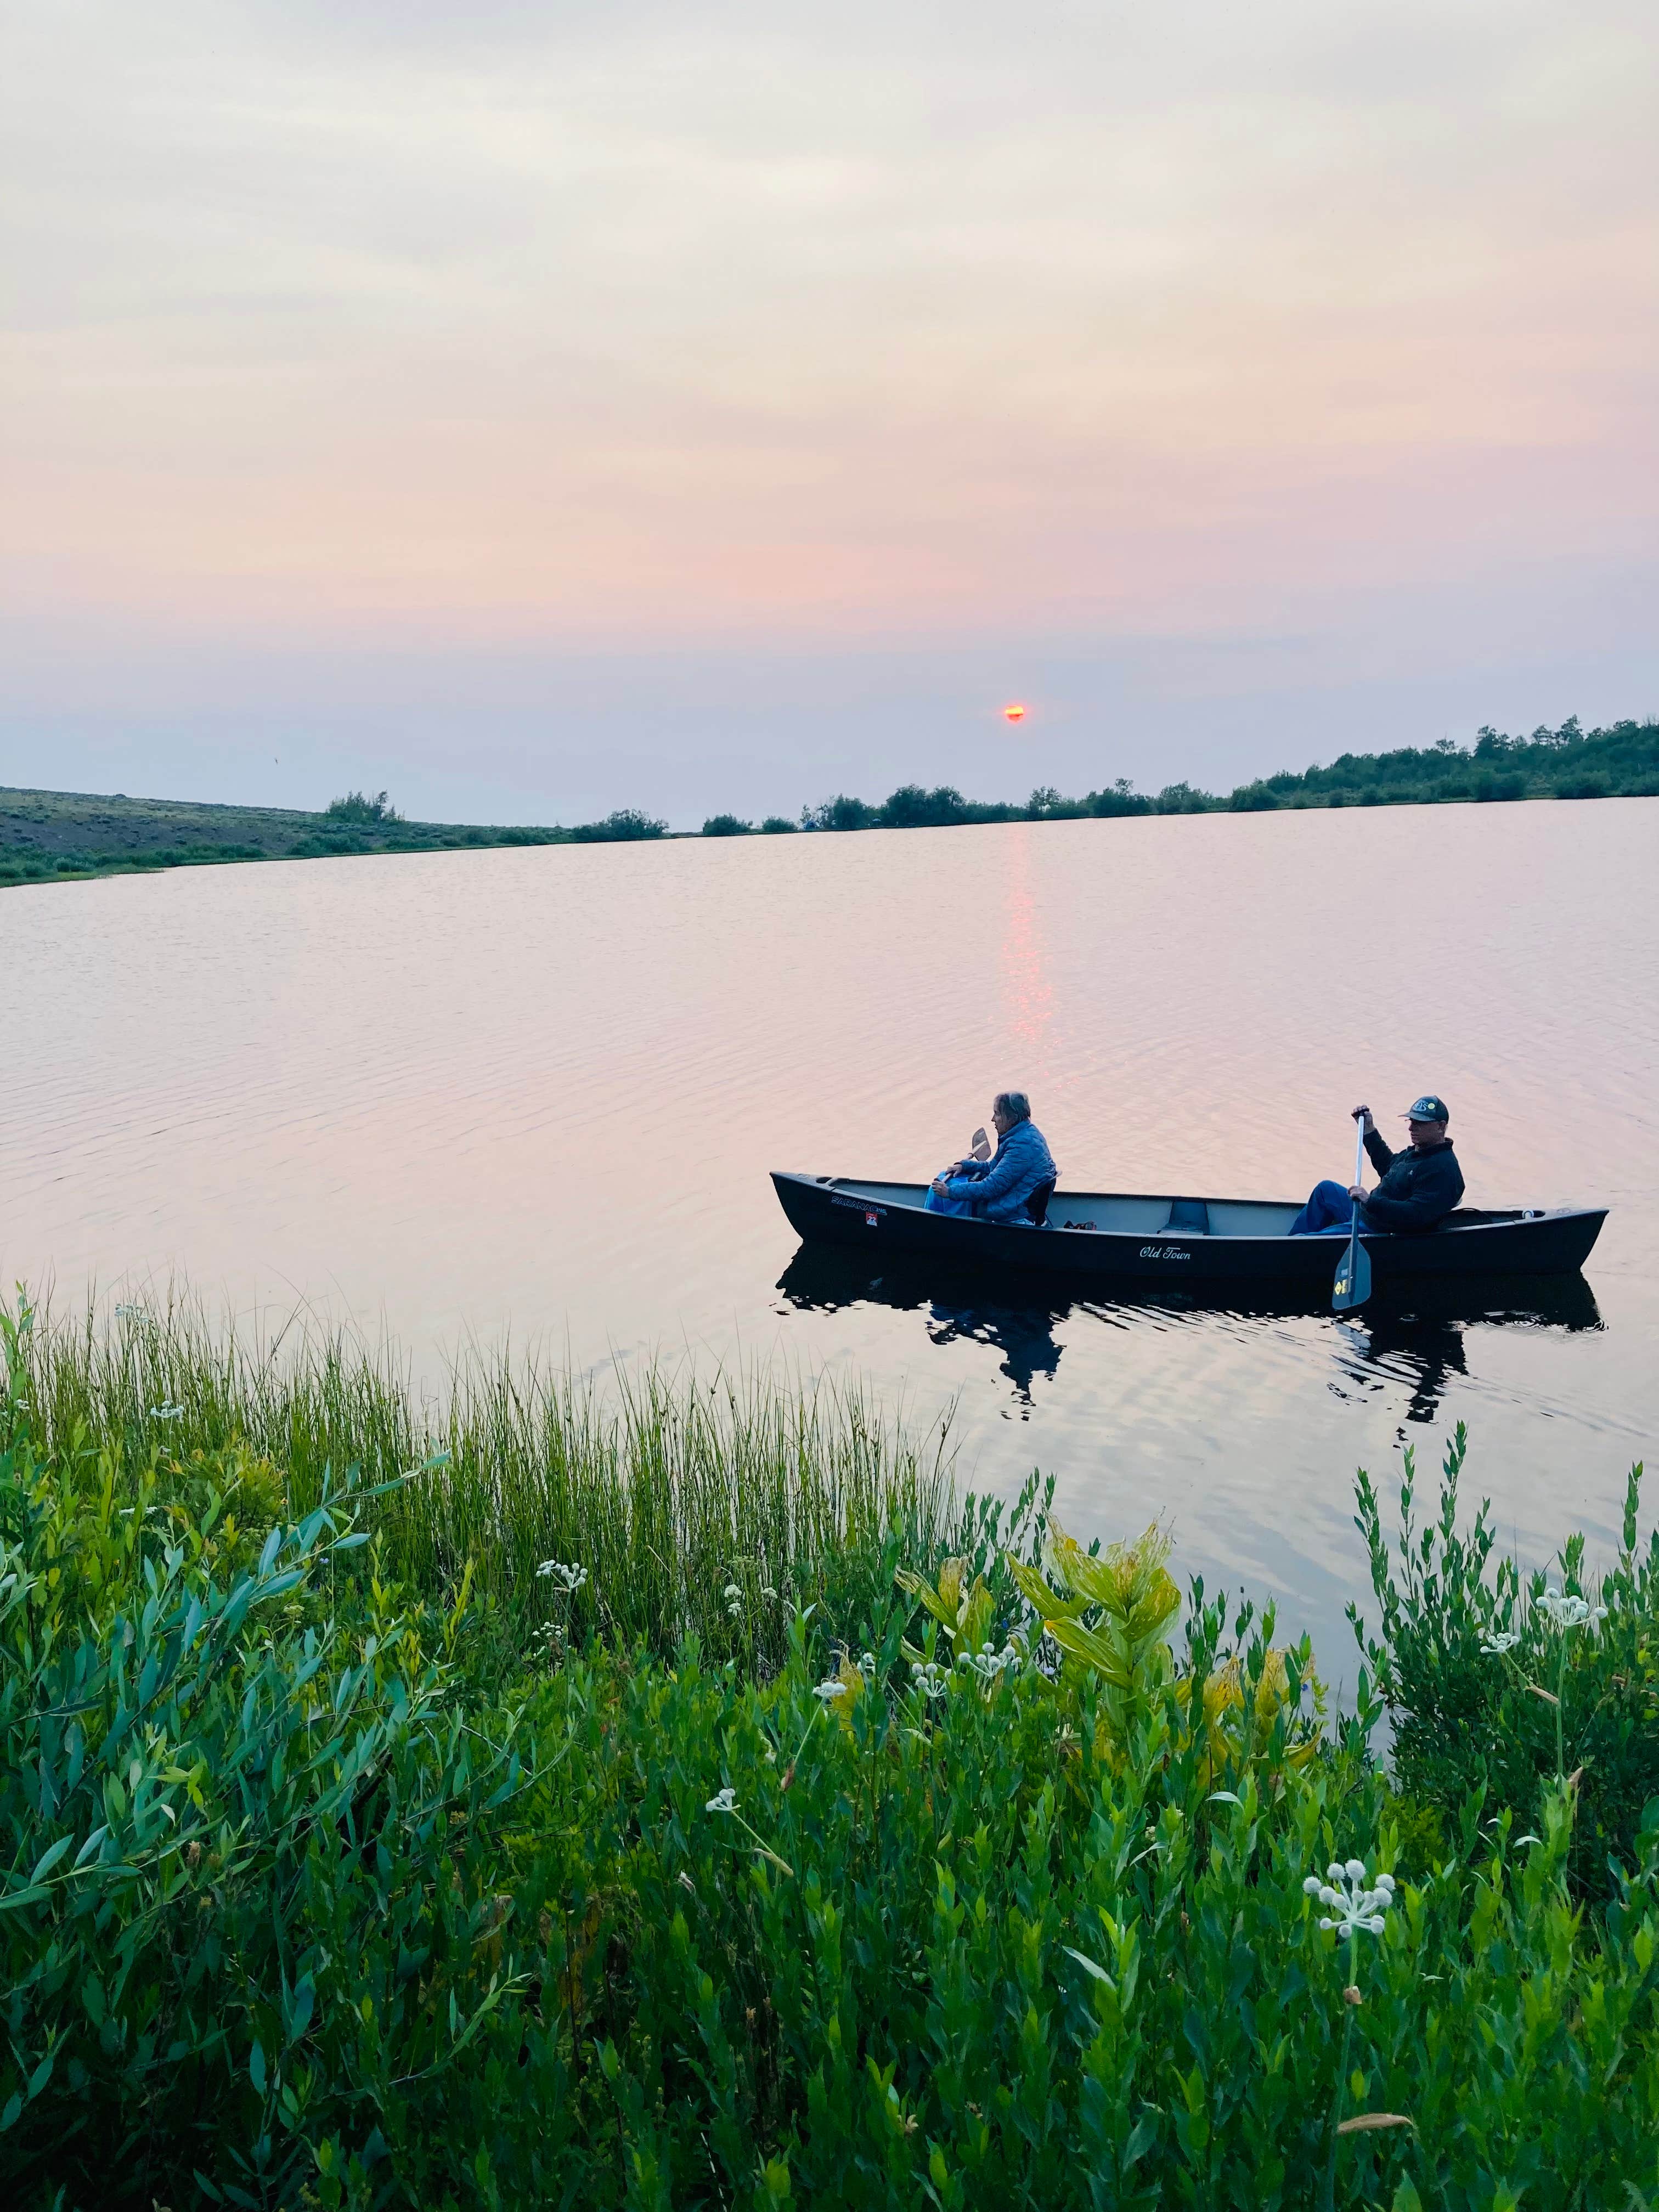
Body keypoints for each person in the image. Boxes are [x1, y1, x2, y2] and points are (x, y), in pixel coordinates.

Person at [1289, 1094, 1465, 1236]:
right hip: (1368, 1213)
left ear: (1441, 1127)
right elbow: (1388, 1167)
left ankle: (1296, 1248)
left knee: (1308, 1240)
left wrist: (1370, 1201)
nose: (1411, 1128)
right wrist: (1369, 1131)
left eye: (1420, 1123)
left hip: (1379, 1229)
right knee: (1325, 1190)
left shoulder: (1443, 1169)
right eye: (1411, 1121)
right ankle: (1289, 1244)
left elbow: (1415, 1214)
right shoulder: (1417, 1152)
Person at [925, 1091, 1057, 1223]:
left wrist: (949, 1192)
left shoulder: (1022, 1146)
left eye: (998, 1114)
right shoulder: (1023, 1134)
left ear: (1012, 1118)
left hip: (1012, 1209)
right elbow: (993, 1167)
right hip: (1015, 1198)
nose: (993, 1119)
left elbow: (990, 1188)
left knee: (940, 1188)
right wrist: (964, 1166)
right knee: (945, 1177)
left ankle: (935, 1226)